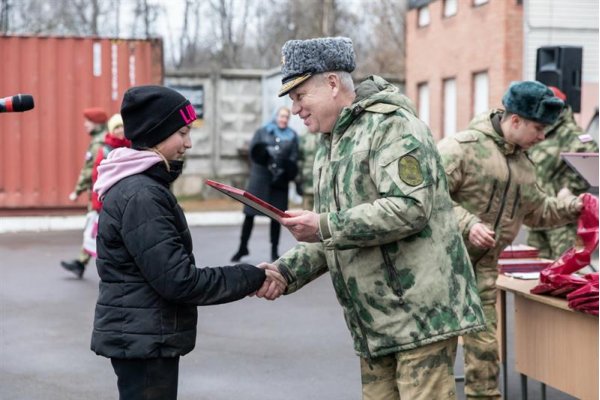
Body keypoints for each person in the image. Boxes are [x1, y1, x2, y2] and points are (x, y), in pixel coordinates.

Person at [258, 37, 486, 400]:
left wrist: (323, 225)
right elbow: (338, 229)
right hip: (374, 323)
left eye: (300, 95)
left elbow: (409, 208)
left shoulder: (392, 126)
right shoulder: (331, 141)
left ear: (332, 84)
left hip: (419, 319)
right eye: (292, 99)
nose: (295, 108)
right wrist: (287, 271)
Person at [90, 85, 285, 400]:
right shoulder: (141, 195)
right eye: (182, 132)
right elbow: (178, 281)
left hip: (145, 338)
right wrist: (250, 276)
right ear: (157, 133)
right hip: (145, 342)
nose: (189, 143)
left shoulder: (140, 186)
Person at [436, 81, 585, 399]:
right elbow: (424, 198)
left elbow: (539, 211)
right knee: (434, 364)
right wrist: (467, 223)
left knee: (486, 362)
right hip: (441, 272)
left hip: (484, 275)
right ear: (514, 120)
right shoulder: (461, 147)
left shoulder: (524, 165)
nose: (543, 137)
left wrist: (576, 206)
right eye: (538, 128)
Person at [526, 86, 599, 259]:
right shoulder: (539, 130)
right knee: (534, 269)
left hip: (562, 218)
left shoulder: (572, 134)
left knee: (564, 267)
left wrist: (570, 189)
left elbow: (592, 166)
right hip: (537, 213)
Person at [230, 106, 299, 262]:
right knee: (249, 214)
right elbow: (254, 153)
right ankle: (242, 247)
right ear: (275, 116)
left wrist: (285, 170)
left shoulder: (293, 136)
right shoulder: (262, 132)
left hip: (279, 181)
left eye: (286, 117)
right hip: (260, 179)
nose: (283, 119)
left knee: (276, 217)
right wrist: (265, 152)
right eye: (281, 116)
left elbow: (294, 157)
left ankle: (274, 251)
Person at [61, 107, 108, 278]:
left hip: (99, 194)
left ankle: (84, 263)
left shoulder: (98, 143)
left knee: (97, 229)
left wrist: (77, 190)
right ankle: (81, 262)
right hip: (101, 192)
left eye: (88, 121)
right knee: (95, 228)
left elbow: (89, 170)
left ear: (96, 123)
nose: (85, 125)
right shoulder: (102, 139)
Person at [90, 113, 131, 213]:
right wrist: (98, 204)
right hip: (110, 201)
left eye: (122, 126)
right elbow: (97, 177)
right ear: (111, 131)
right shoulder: (105, 151)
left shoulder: (132, 147)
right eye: (117, 127)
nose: (120, 130)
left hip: (129, 199)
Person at [295, 130, 318, 210]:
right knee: (307, 208)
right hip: (307, 179)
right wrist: (298, 179)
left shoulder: (323, 135)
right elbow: (299, 160)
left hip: (322, 181)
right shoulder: (303, 137)